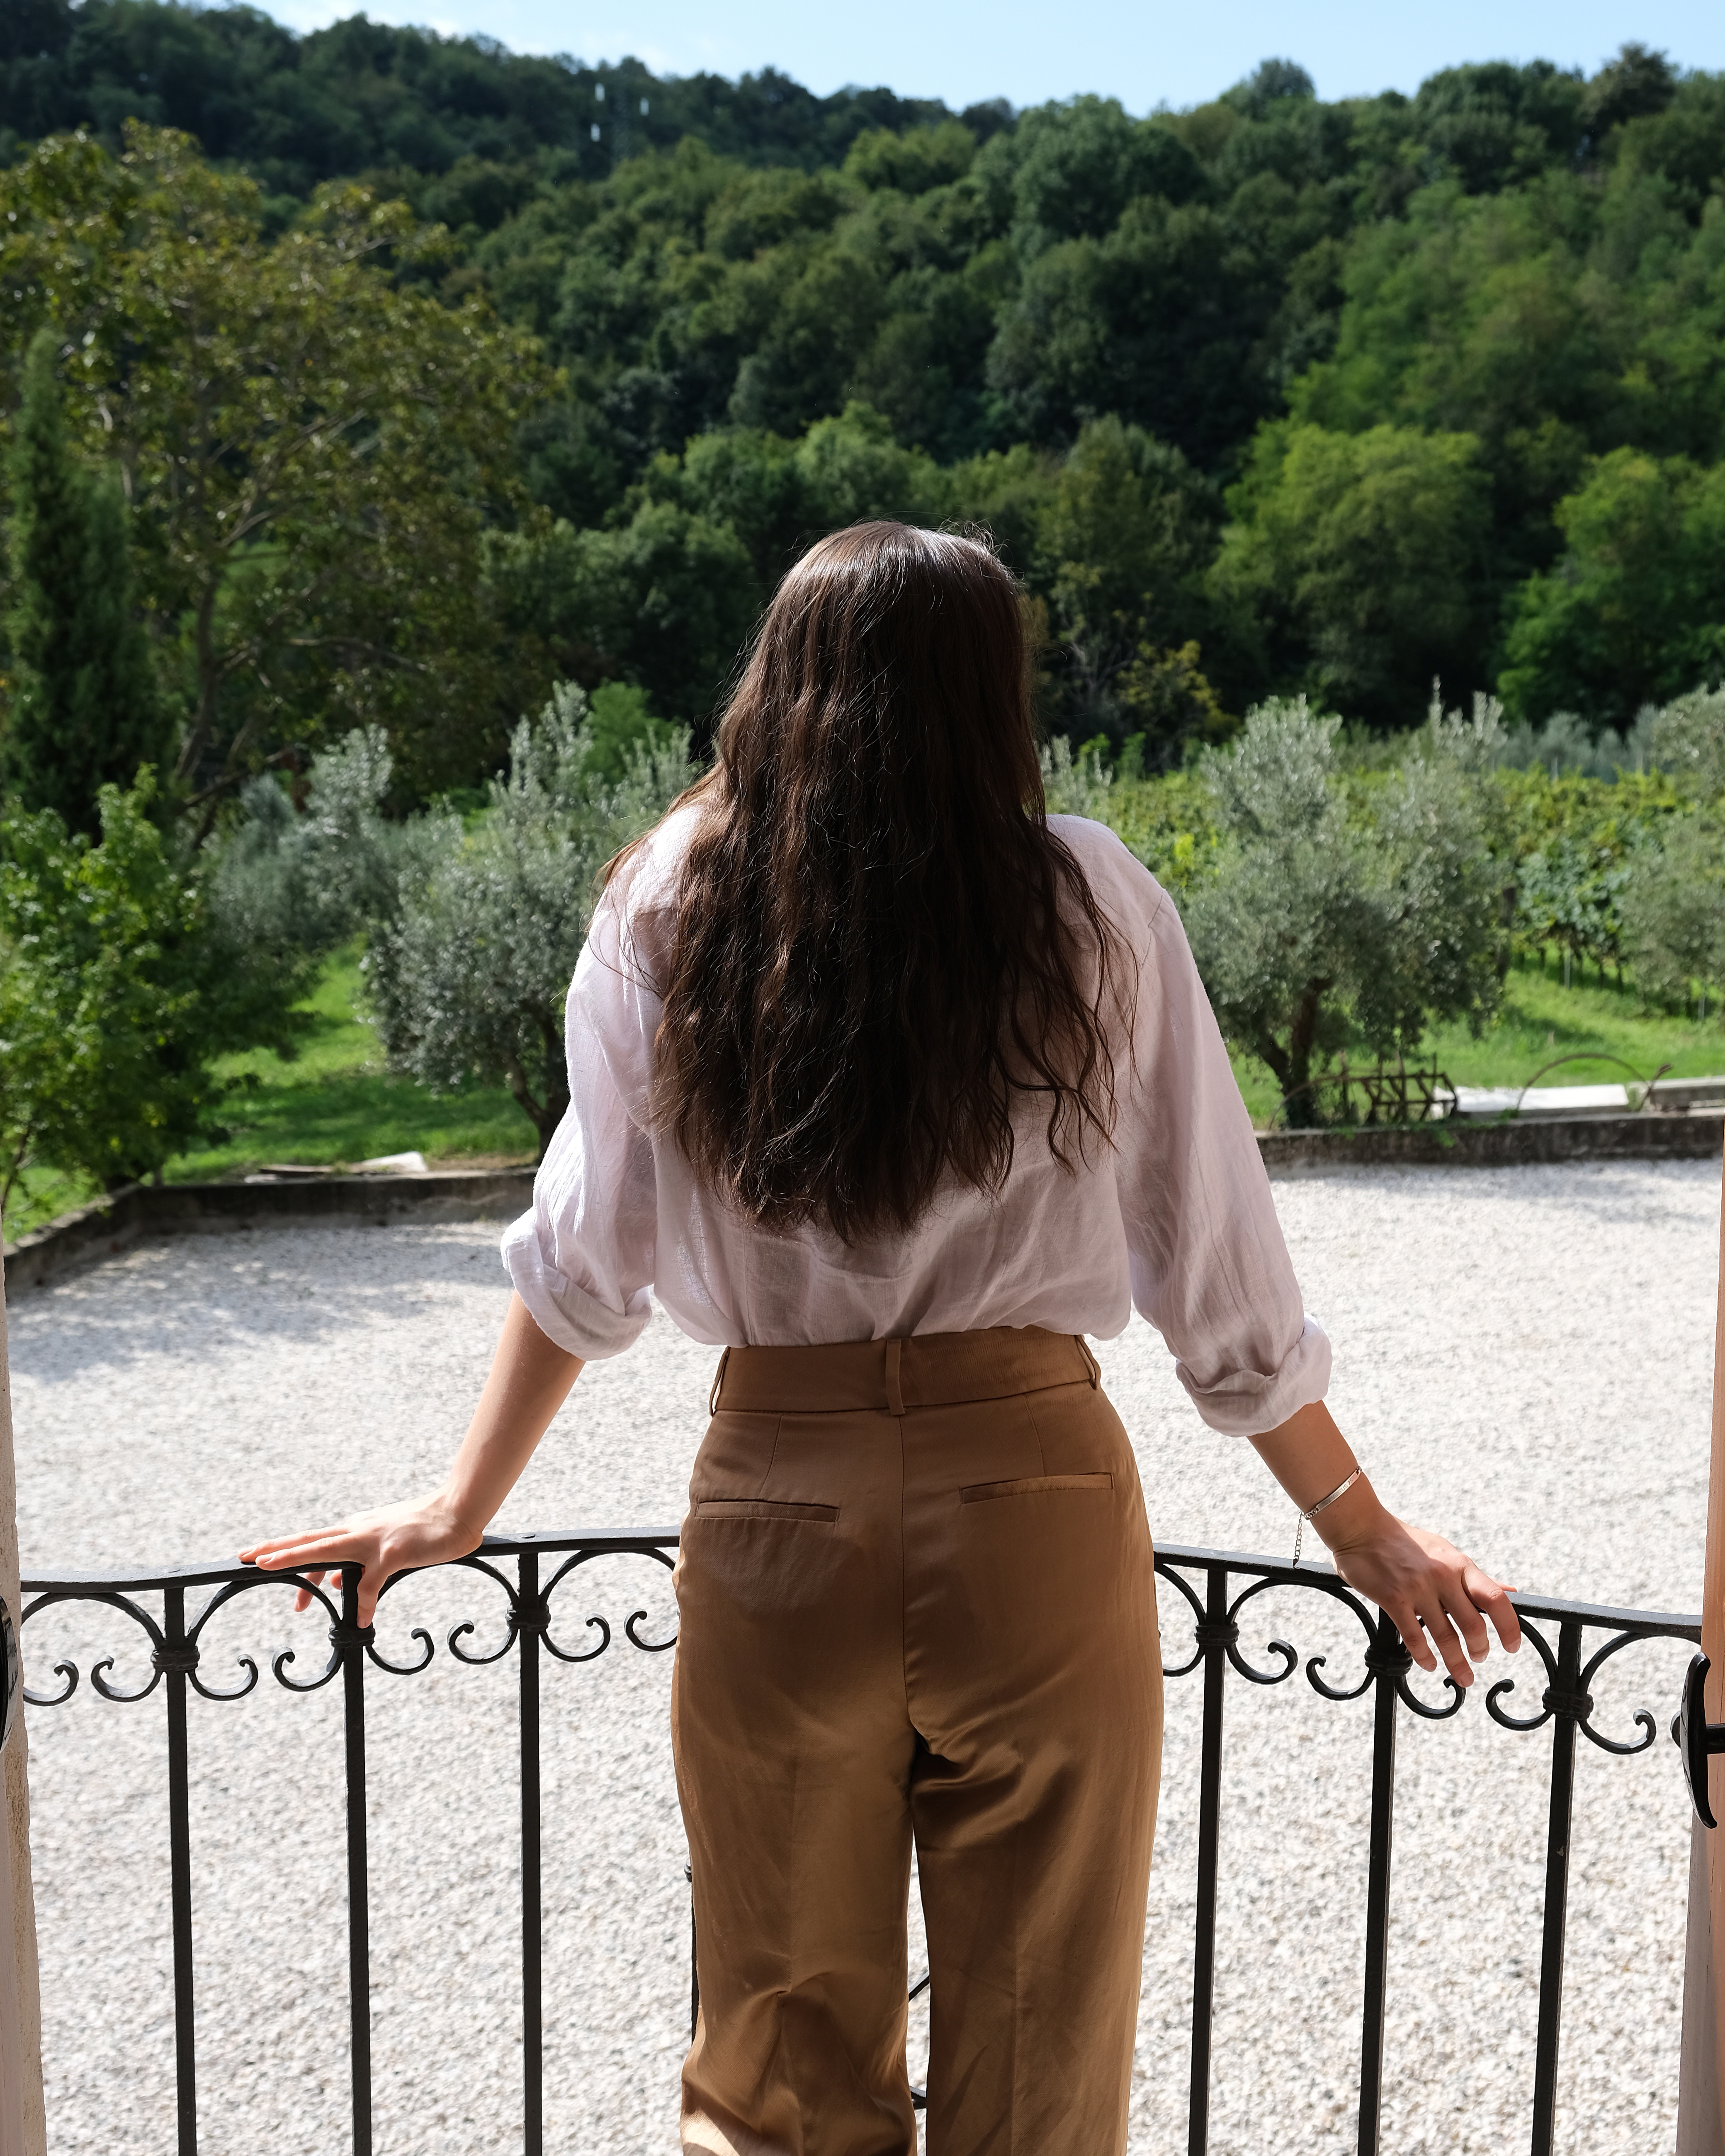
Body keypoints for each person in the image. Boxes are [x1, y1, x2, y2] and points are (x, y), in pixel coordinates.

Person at [242, 522, 1521, 2156]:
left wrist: (457, 1507)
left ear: (777, 687)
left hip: (776, 1513)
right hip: (1035, 1512)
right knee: (1041, 2069)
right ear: (991, 696)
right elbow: (1222, 1280)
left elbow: (581, 1265)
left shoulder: (668, 905)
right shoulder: (1091, 900)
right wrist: (1364, 1529)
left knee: (774, 2070)